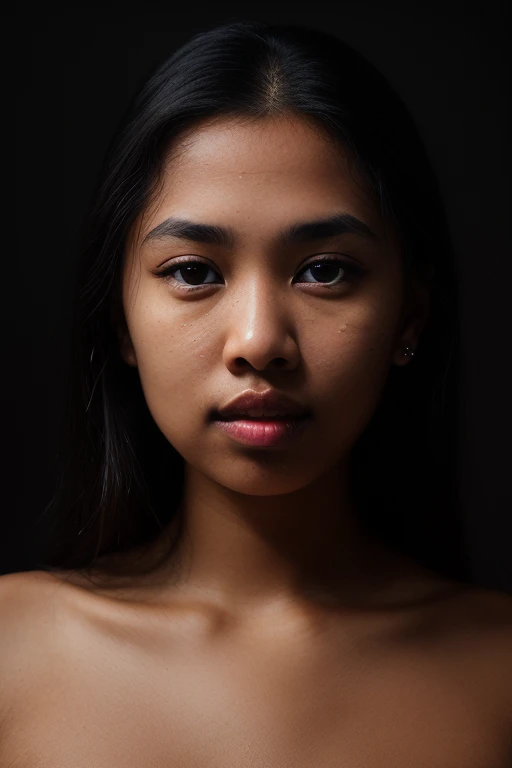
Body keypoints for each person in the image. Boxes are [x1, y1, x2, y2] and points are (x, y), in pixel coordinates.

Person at [3, 18, 511, 766]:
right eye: (194, 271)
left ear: (410, 312)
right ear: (119, 321)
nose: (258, 341)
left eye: (326, 270)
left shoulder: (497, 673)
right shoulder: (10, 652)